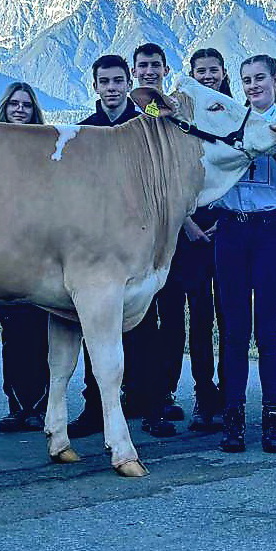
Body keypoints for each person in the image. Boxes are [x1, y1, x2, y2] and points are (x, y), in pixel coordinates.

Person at [68, 55, 174, 439]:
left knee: (146, 329)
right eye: (104, 81)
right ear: (94, 86)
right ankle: (95, 409)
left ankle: (154, 405)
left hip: (139, 244)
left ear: (129, 82)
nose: (111, 88)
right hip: (96, 250)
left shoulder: (149, 126)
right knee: (94, 329)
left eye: (117, 81)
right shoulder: (82, 132)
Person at [210, 55, 276, 453]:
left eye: (260, 79)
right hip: (232, 227)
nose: (253, 86)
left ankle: (273, 419)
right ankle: (232, 419)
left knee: (269, 331)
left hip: (272, 228)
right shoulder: (229, 122)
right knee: (234, 331)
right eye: (246, 79)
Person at [133, 43, 188, 425]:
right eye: (143, 66)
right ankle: (134, 390)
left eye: (155, 65)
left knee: (171, 314)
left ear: (166, 70)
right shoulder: (115, 118)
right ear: (134, 72)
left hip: (174, 230)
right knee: (136, 315)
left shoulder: (179, 115)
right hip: (131, 236)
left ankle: (163, 393)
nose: (149, 71)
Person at [0, 81, 51, 433]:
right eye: (14, 104)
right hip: (3, 252)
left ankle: (40, 406)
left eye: (25, 105)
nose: (19, 109)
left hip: (39, 252)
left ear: (33, 110)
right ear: (5, 107)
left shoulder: (43, 148)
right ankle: (16, 405)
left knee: (40, 332)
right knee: (12, 332)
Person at [177, 48, 229, 432]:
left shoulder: (234, 114)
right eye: (201, 72)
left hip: (228, 227)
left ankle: (229, 393)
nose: (208, 76)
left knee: (230, 318)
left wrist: (225, 223)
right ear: (192, 76)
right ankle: (202, 391)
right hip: (192, 231)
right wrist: (189, 224)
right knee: (199, 318)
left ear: (223, 72)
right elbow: (174, 179)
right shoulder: (183, 120)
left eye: (213, 70)